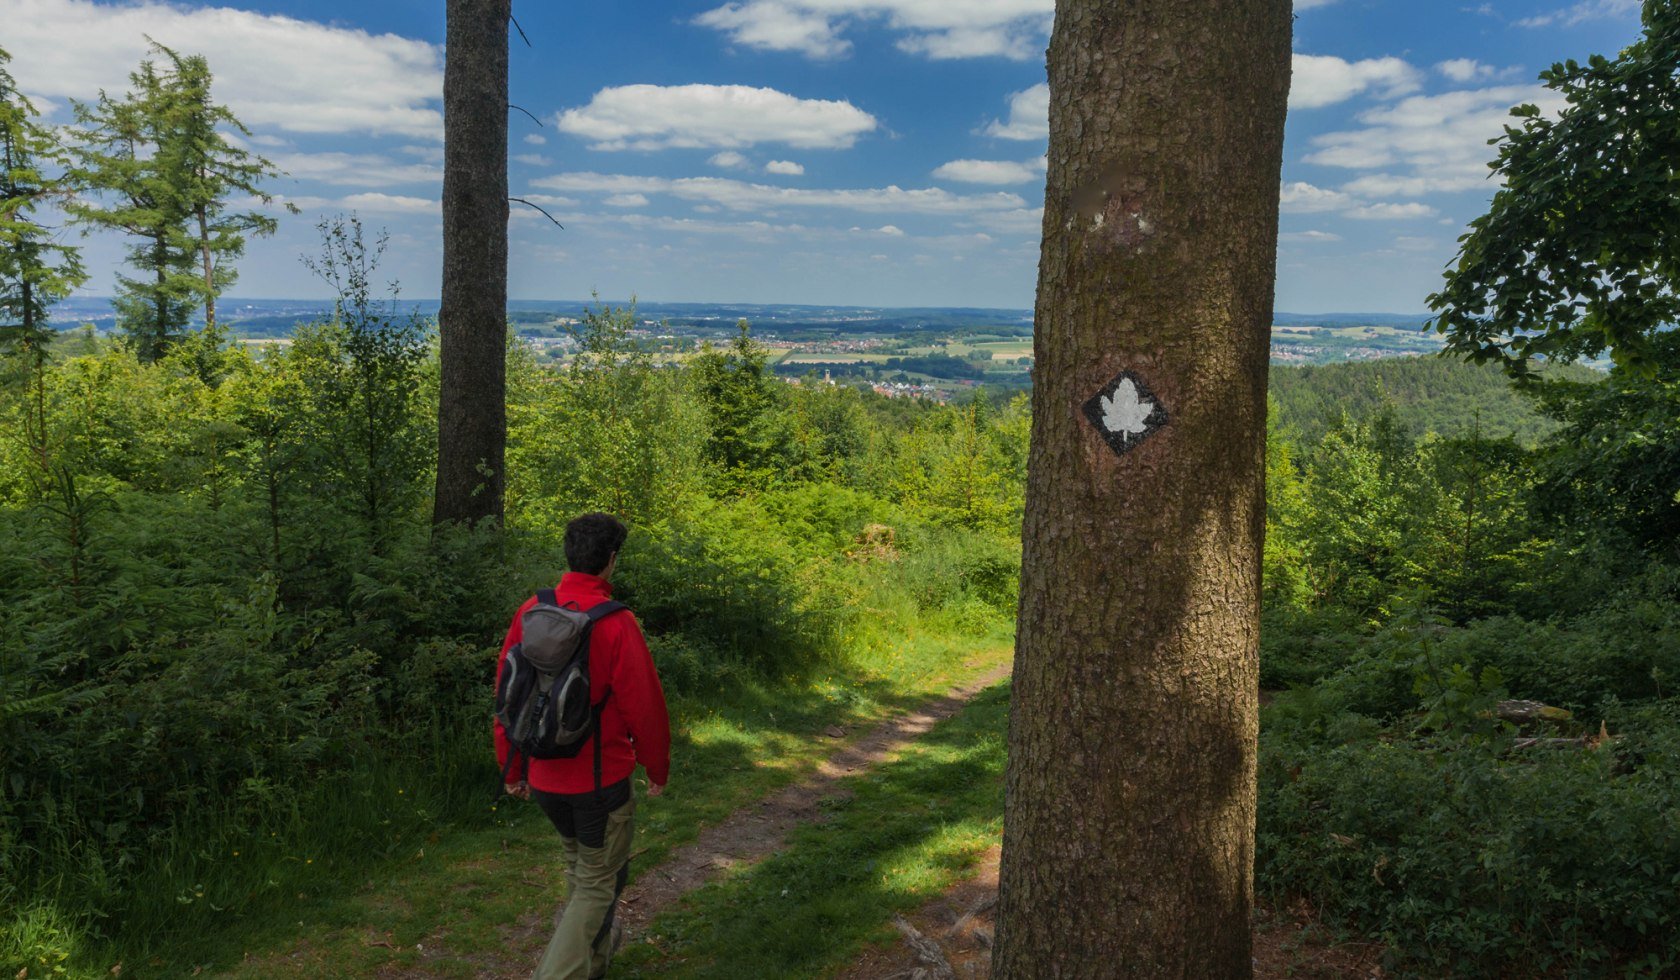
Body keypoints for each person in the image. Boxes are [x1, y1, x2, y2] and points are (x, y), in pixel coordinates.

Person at [494, 512, 670, 980]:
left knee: (583, 869)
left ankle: (592, 966)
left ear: (569, 553)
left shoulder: (531, 611)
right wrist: (657, 767)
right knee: (597, 883)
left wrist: (512, 769)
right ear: (611, 561)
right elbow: (645, 706)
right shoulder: (616, 623)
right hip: (600, 784)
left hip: (544, 778)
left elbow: (507, 698)